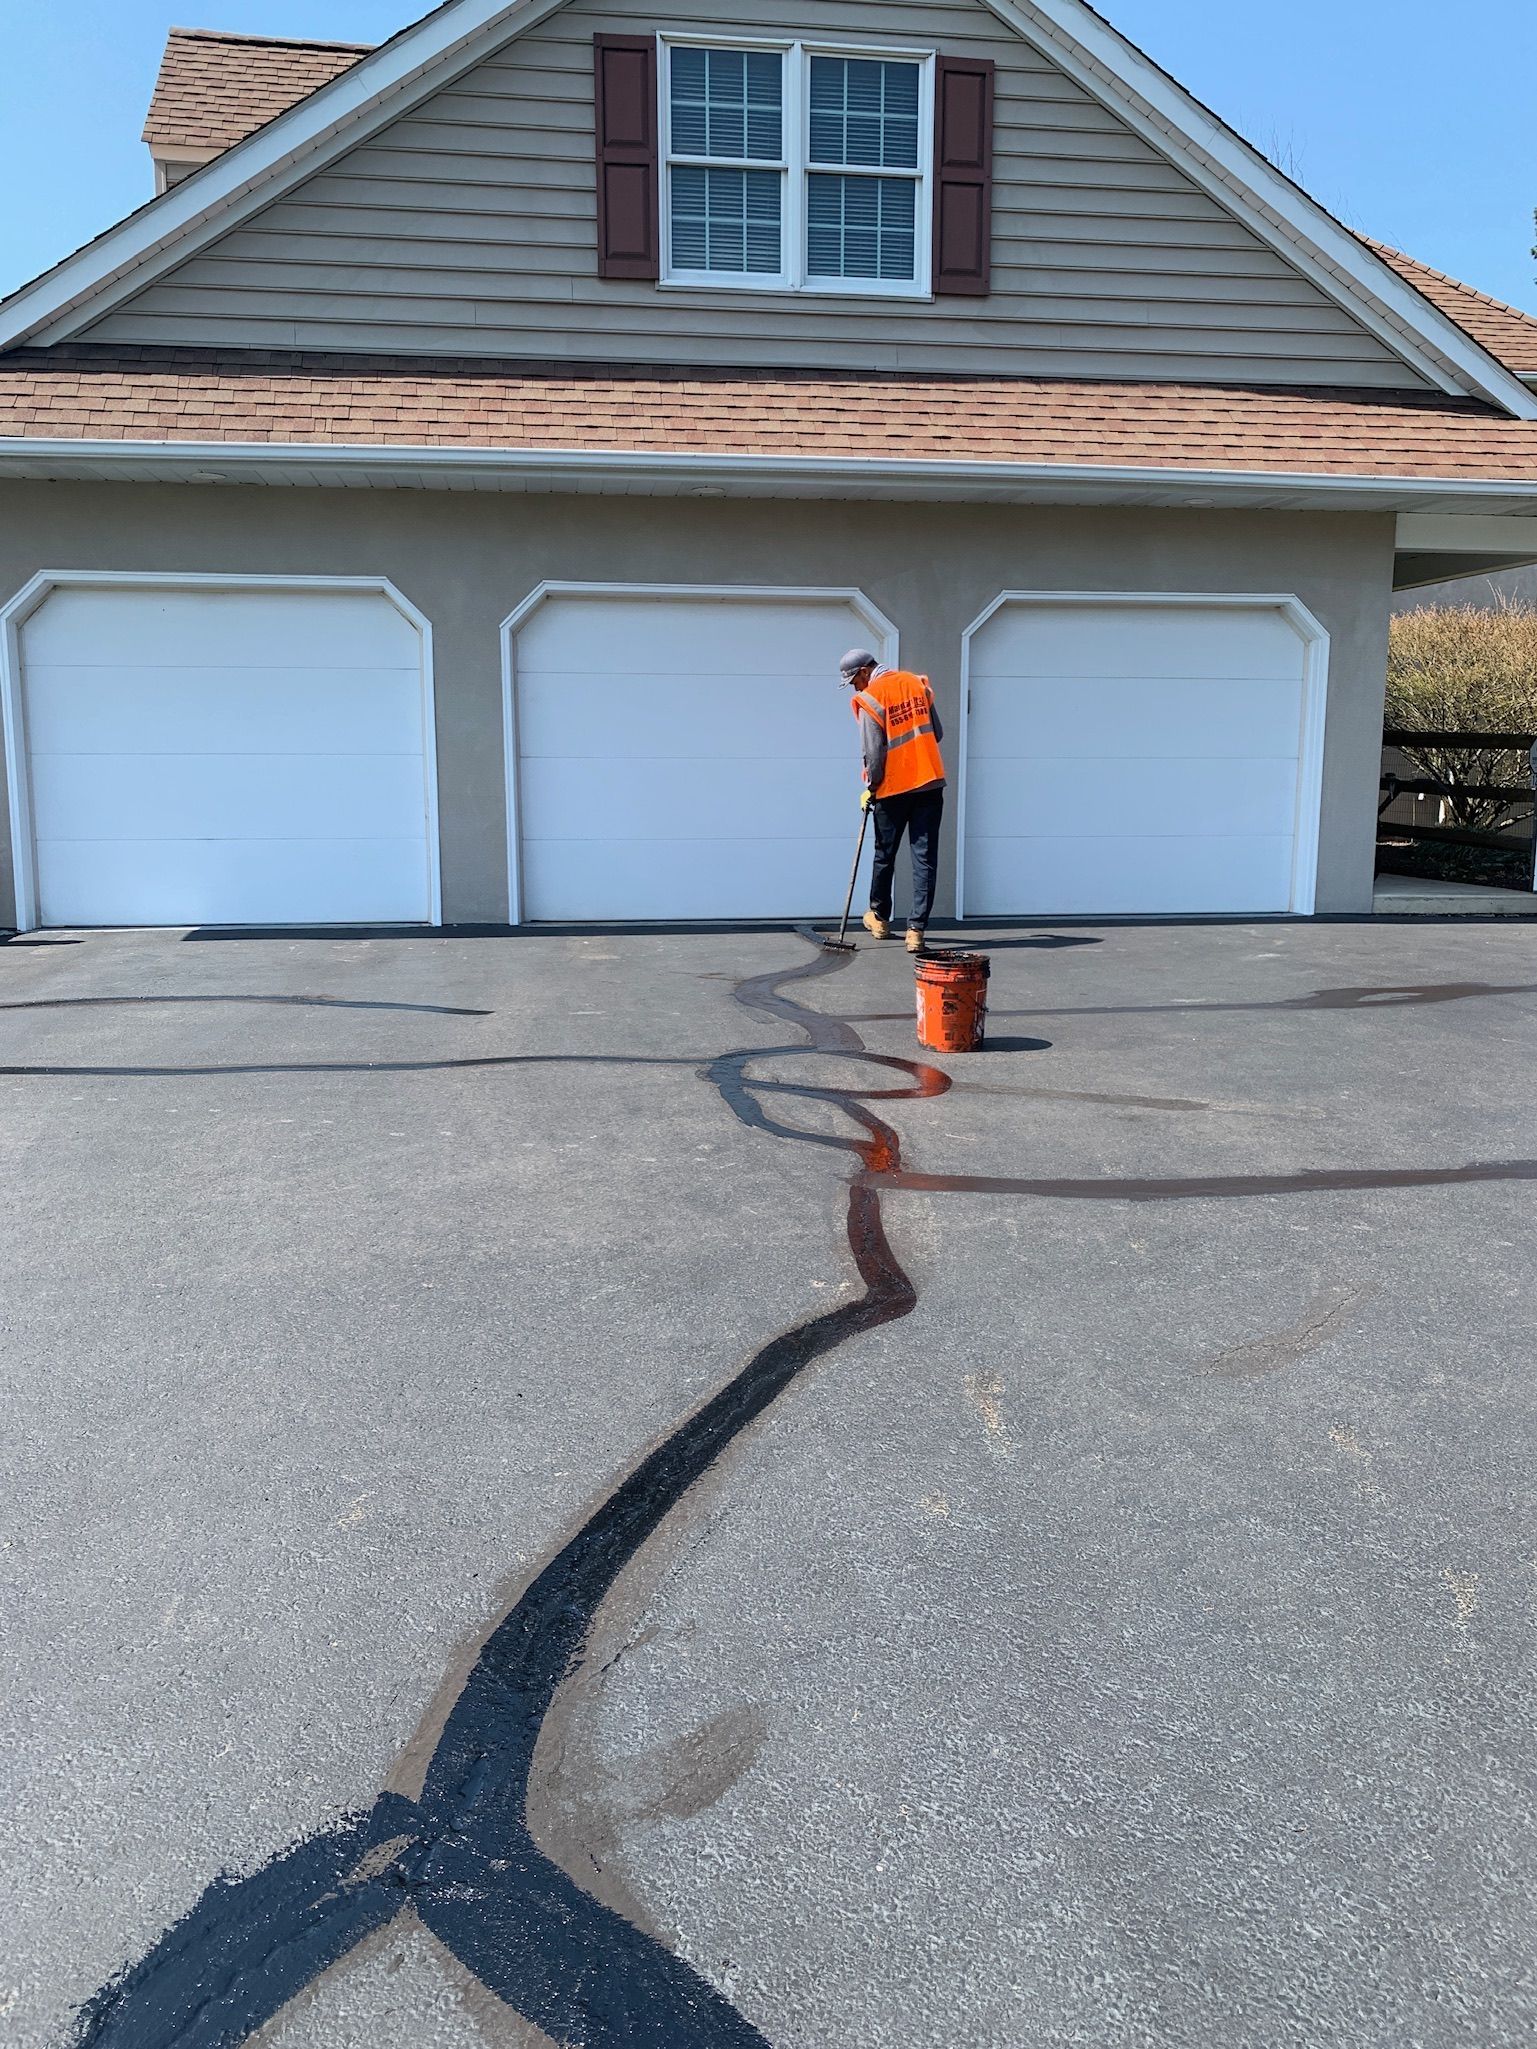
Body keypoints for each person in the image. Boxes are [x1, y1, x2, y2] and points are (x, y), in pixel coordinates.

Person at [838, 648, 946, 953]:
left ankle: (880, 918)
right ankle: (916, 931)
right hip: (930, 784)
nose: (856, 688)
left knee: (884, 853)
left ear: (862, 672)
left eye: (853, 682)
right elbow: (936, 733)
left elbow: (873, 754)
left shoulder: (870, 698)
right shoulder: (916, 683)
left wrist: (870, 787)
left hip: (893, 789)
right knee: (924, 858)